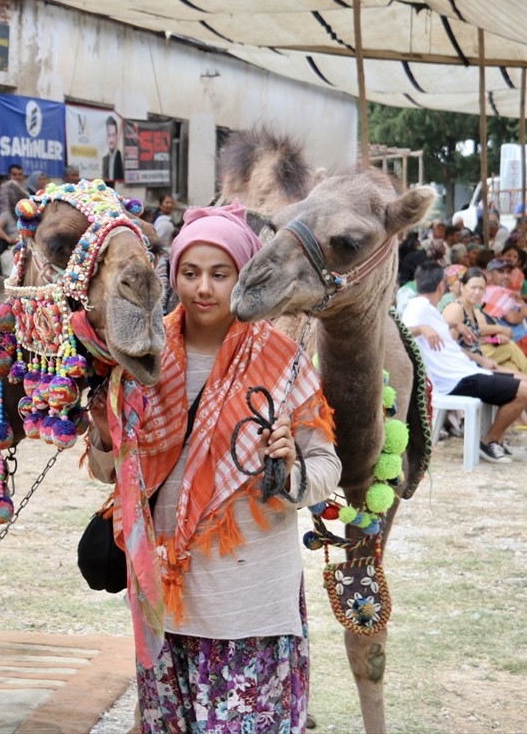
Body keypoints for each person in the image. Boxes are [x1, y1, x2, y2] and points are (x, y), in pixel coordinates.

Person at [86, 202, 340, 733]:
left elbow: (325, 465)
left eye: (220, 274)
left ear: (243, 278)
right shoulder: (139, 358)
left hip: (249, 602)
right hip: (162, 598)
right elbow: (111, 473)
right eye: (190, 272)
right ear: (172, 276)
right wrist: (107, 437)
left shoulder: (283, 359)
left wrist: (290, 472)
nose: (203, 288)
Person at [402, 262, 527, 463]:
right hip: (455, 380)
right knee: (525, 390)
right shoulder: (418, 306)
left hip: (465, 373)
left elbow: (434, 330)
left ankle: (495, 439)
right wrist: (421, 329)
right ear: (441, 286)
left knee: (524, 383)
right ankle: (489, 441)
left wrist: (454, 325)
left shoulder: (428, 308)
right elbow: (401, 332)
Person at [441, 267, 527, 431]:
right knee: (520, 377)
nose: (477, 292)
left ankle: (519, 421)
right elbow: (450, 348)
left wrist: (494, 340)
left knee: (516, 372)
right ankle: (497, 434)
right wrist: (481, 360)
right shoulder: (456, 309)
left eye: (481, 289)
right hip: (464, 370)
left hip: (475, 363)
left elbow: (473, 338)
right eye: (473, 287)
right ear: (462, 287)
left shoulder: (472, 309)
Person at [0, 165, 27, 277]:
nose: (17, 177)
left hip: (27, 238)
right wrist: (7, 238)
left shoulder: (30, 201)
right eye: (14, 174)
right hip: (12, 239)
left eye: (20, 174)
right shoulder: (7, 210)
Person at [101, 116, 124, 183]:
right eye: (109, 135)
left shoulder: (119, 156)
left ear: (117, 136)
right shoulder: (105, 159)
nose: (111, 140)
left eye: (113, 135)